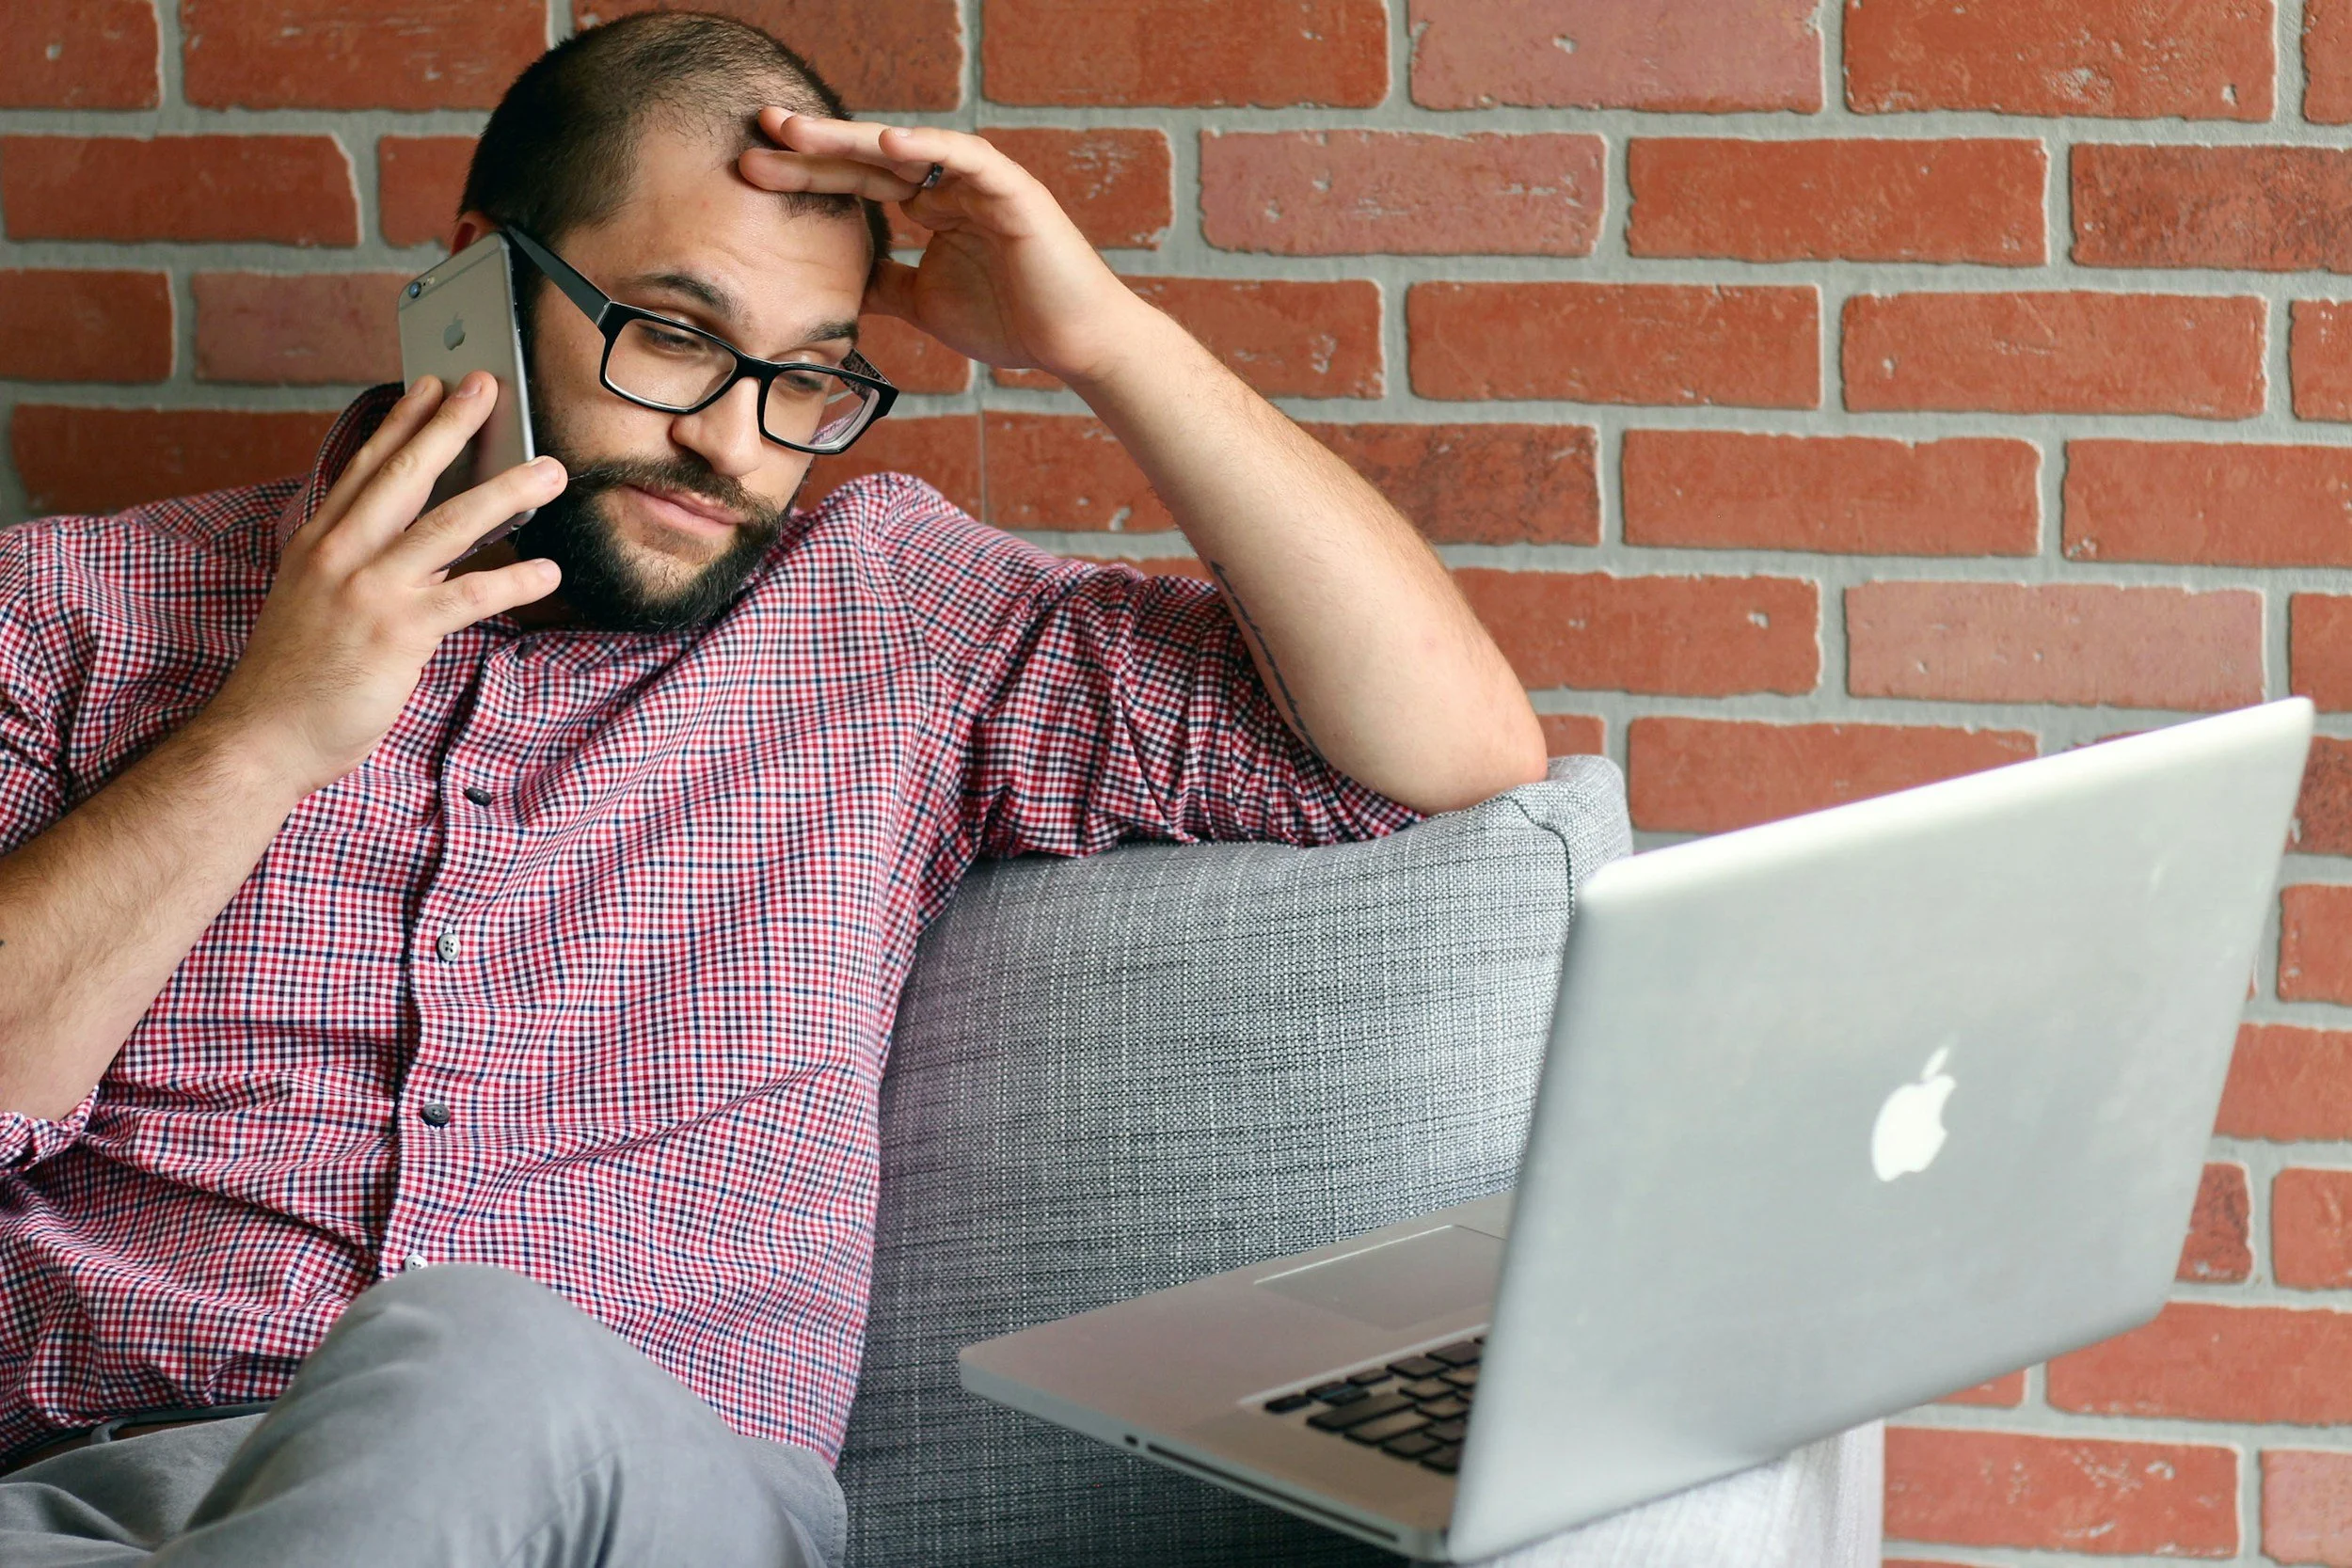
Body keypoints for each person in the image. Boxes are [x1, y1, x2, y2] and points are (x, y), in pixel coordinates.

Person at [0, 9, 1548, 1564]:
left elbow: (1446, 747)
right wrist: (263, 734)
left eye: (806, 381)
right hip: (84, 1501)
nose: (733, 445)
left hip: (636, 1501)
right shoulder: (72, 612)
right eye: (672, 335)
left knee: (469, 1356)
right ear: (479, 278)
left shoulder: (891, 622)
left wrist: (1105, 338)